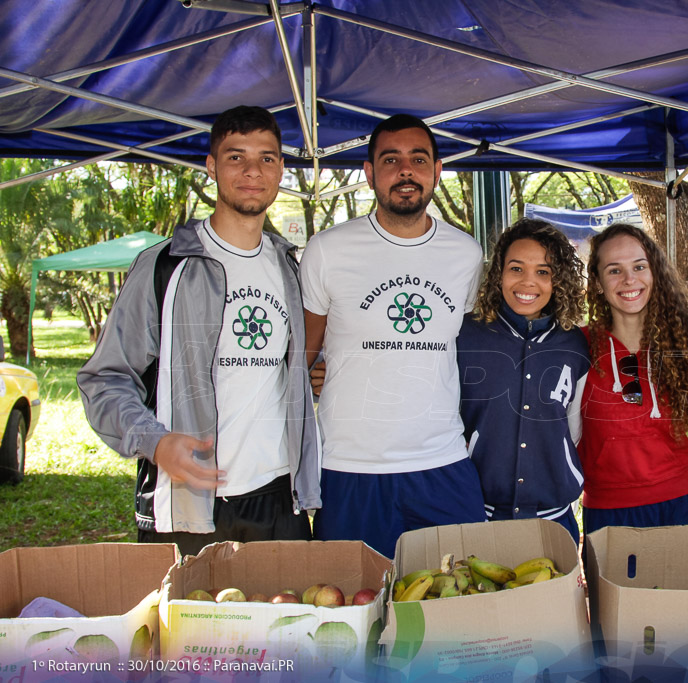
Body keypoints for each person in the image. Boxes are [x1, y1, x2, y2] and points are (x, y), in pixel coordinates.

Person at [77, 106, 321, 556]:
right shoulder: (164, 266)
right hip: (187, 503)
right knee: (189, 629)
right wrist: (155, 442)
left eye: (267, 158)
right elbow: (105, 379)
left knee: (287, 627)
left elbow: (285, 362)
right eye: (235, 157)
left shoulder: (290, 267)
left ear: (281, 169)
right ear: (211, 166)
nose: (253, 170)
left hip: (277, 500)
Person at [300, 114, 485, 557]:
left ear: (437, 171)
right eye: (390, 160)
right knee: (354, 612)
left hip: (441, 461)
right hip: (349, 467)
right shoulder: (327, 250)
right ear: (369, 174)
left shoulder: (466, 253)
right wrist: (313, 372)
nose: (406, 170)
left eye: (418, 159)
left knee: (457, 610)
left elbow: (471, 347)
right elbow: (302, 354)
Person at [578, 223, 688, 535]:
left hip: (683, 503)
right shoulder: (576, 348)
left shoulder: (687, 344)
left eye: (639, 266)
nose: (629, 279)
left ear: (655, 273)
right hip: (609, 512)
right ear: (598, 282)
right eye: (614, 270)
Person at [457, 219, 590, 542]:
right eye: (516, 268)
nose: (528, 282)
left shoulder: (574, 343)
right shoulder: (465, 334)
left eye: (543, 272)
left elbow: (573, 428)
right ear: (498, 273)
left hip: (554, 517)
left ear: (558, 280)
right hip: (477, 513)